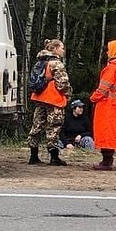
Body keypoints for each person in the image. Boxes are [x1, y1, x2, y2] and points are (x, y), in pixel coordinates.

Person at [89, 39, 116, 170]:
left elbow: (103, 88)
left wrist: (92, 98)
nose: (107, 52)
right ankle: (108, 159)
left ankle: (106, 161)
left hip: (108, 106)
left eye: (109, 49)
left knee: (105, 133)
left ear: (114, 51)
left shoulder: (112, 68)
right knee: (113, 133)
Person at [27, 38, 71, 166]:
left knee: (36, 126)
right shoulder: (56, 63)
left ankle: (33, 156)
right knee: (54, 127)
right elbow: (62, 83)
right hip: (53, 98)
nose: (63, 50)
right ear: (56, 48)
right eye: (61, 47)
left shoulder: (40, 61)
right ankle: (54, 157)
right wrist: (68, 94)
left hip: (39, 97)